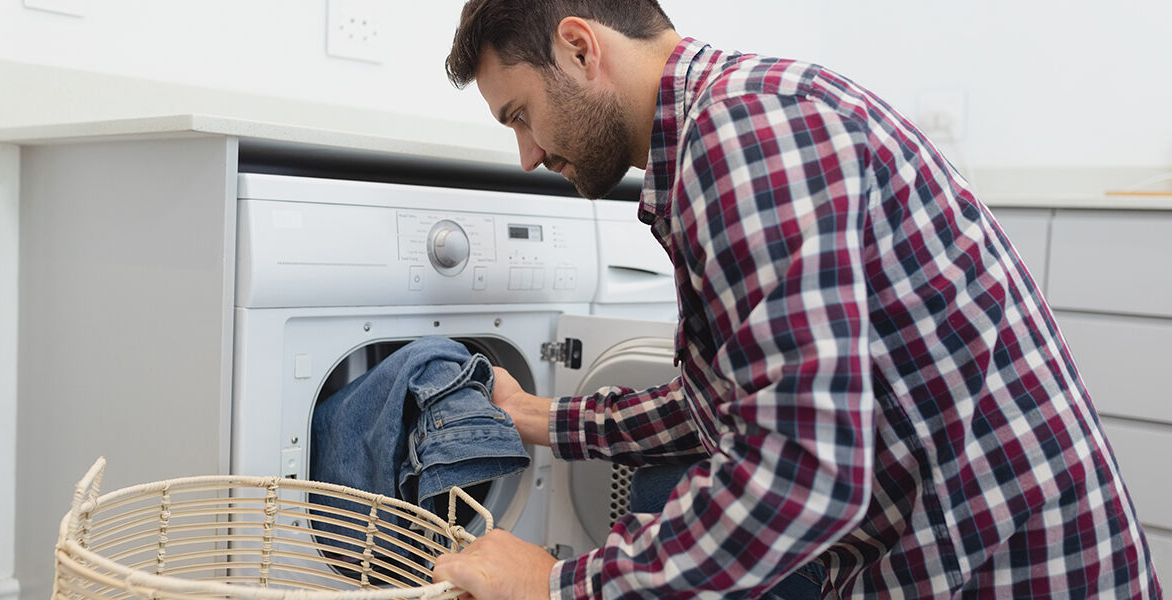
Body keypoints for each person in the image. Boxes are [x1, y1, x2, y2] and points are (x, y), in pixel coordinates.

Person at [432, 1, 1164, 598]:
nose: (526, 154)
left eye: (519, 114)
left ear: (580, 48)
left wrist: (559, 582)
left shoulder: (744, 133)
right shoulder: (738, 121)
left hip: (1011, 572)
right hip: (956, 550)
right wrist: (545, 419)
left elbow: (805, 468)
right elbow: (735, 402)